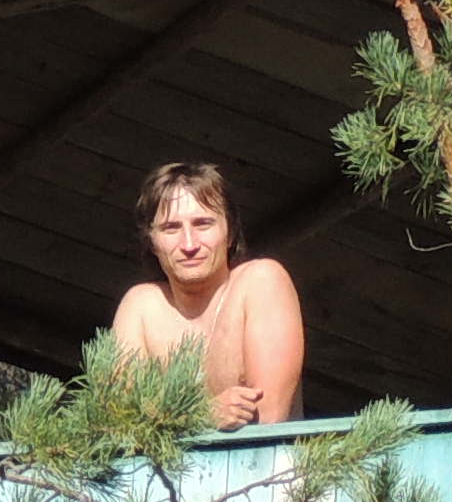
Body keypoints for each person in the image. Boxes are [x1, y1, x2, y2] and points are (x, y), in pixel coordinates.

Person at [107, 159, 305, 425]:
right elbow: (119, 425)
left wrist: (171, 419)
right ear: (151, 242)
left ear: (230, 233)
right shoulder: (141, 306)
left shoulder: (261, 282)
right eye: (171, 228)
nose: (189, 244)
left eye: (203, 224)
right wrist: (202, 416)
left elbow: (268, 418)